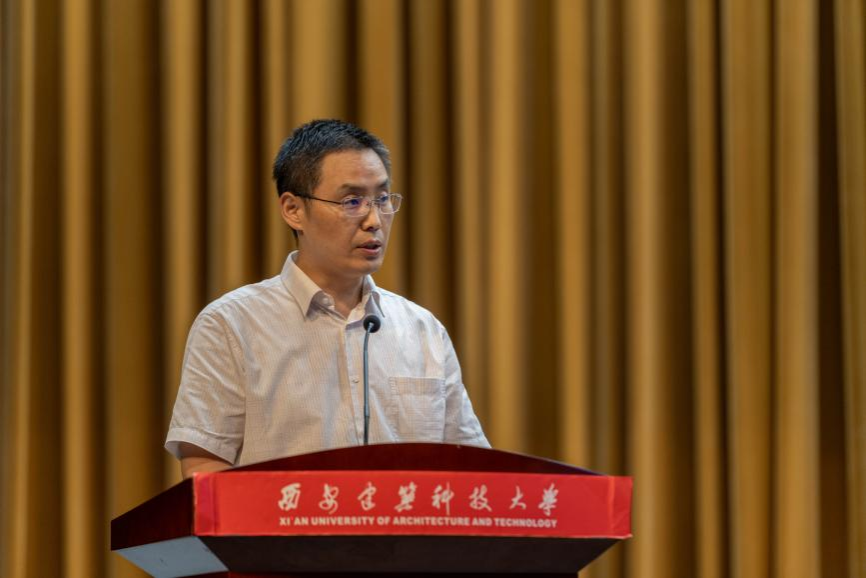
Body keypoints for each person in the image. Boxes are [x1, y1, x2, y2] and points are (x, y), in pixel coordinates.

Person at [165, 119, 489, 478]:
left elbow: (473, 469)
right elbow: (205, 467)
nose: (374, 220)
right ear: (293, 210)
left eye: (382, 199)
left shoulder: (422, 330)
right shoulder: (231, 325)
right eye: (352, 201)